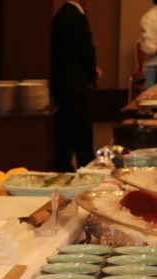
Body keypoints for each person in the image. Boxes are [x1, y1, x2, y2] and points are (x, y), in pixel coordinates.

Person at [50, 0, 102, 172]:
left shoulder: (61, 14)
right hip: (75, 84)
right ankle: (87, 169)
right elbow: (86, 50)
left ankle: (64, 169)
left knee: (65, 131)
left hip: (62, 83)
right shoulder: (75, 16)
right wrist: (93, 74)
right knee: (82, 131)